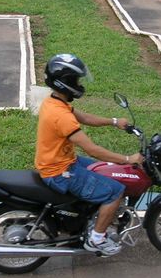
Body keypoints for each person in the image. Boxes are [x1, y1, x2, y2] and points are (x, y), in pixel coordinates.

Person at [35, 53, 144, 256]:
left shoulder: (54, 103)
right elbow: (92, 149)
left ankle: (89, 218)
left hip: (63, 162)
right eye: (76, 79)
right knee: (114, 191)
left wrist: (113, 121)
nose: (79, 83)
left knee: (105, 172)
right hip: (60, 172)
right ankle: (96, 239)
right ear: (65, 82)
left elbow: (84, 117)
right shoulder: (61, 116)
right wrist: (129, 159)